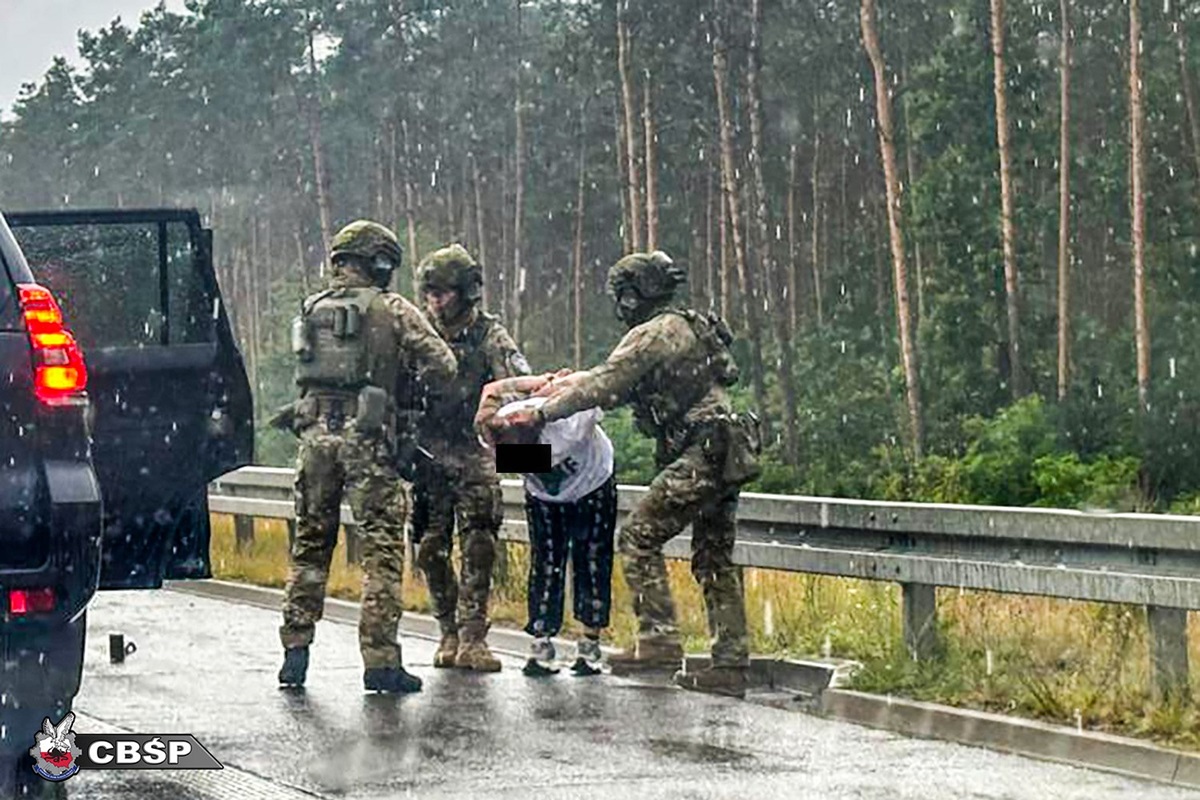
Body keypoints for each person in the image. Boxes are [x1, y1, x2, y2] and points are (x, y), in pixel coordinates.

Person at [497, 251, 761, 698]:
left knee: (637, 537)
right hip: (725, 447)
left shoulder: (652, 335)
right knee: (714, 556)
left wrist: (541, 410)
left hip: (698, 449)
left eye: (622, 296)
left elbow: (603, 385)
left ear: (634, 295)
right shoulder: (689, 324)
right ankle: (730, 662)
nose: (619, 307)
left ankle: (659, 640)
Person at [273, 220, 457, 693]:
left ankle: (295, 653)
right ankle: (380, 661)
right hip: (368, 439)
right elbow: (444, 363)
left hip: (315, 437)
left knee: (311, 545)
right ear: (378, 262)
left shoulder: (312, 308)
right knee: (381, 551)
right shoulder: (390, 308)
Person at [411, 244, 531, 672]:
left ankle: (473, 636)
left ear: (465, 292)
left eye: (443, 292)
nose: (434, 302)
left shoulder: (490, 336)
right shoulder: (419, 332)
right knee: (429, 549)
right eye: (429, 293)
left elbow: (519, 390)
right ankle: (446, 630)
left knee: (479, 544)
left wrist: (529, 463)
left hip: (475, 453)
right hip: (429, 455)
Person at [475, 372, 617, 676]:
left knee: (591, 558)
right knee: (545, 561)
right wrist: (539, 380)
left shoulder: (570, 425)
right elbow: (493, 389)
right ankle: (541, 644)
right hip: (544, 495)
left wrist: (558, 387)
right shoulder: (494, 429)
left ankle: (589, 646)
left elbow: (593, 383)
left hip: (592, 481)